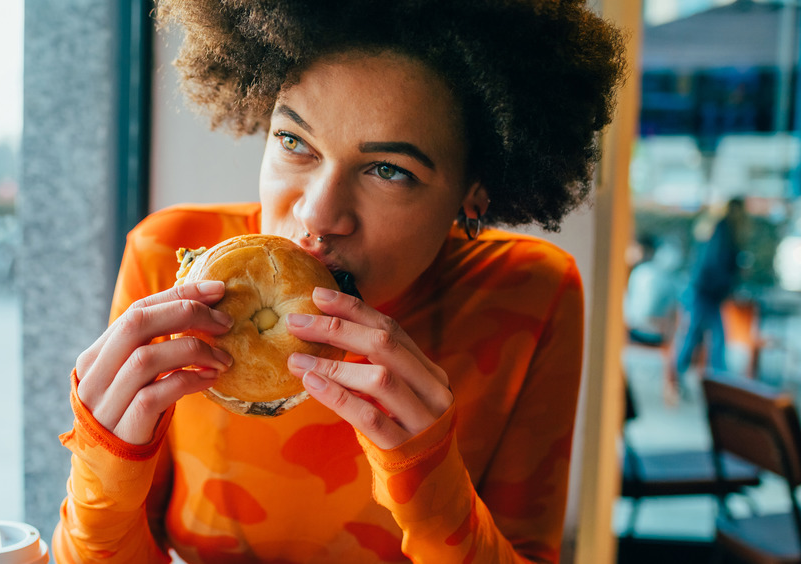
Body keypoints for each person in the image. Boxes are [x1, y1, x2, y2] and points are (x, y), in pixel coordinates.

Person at [53, 1, 626, 562]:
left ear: (474, 189)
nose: (318, 215)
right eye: (293, 141)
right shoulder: (166, 259)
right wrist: (105, 475)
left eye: (389, 171)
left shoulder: (530, 295)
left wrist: (436, 499)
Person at [673, 197, 748, 389]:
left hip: (706, 291)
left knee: (699, 335)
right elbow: (716, 264)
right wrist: (728, 283)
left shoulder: (722, 229)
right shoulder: (724, 230)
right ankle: (718, 382)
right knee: (710, 336)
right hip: (706, 292)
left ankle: (684, 376)